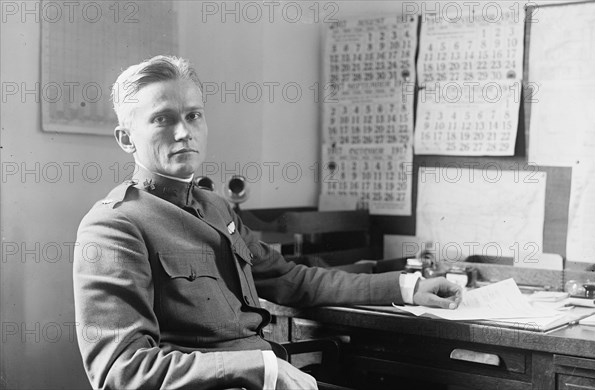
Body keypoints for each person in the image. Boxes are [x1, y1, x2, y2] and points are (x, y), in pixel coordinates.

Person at [73, 55, 462, 390]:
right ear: (126, 139)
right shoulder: (115, 227)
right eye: (163, 119)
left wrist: (408, 287)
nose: (183, 132)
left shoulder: (215, 208)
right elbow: (120, 373)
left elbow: (293, 280)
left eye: (193, 115)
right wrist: (259, 367)